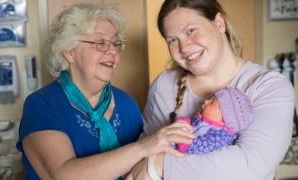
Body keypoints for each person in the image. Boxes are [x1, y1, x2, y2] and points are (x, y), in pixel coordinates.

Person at [16, 3, 194, 180]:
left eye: (115, 43)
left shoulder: (127, 104)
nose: (112, 51)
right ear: (69, 52)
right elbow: (61, 175)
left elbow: (142, 169)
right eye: (100, 43)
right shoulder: (41, 104)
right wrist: (144, 147)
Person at [125, 0, 295, 179]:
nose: (184, 48)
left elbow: (249, 167)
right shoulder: (164, 86)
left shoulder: (268, 87)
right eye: (173, 40)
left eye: (191, 30)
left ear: (219, 23)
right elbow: (144, 153)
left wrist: (160, 165)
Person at [174, 87, 254, 154]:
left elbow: (199, 148)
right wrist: (183, 122)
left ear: (224, 119)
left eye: (211, 102)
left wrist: (183, 143)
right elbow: (189, 122)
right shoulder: (202, 119)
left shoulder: (221, 136)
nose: (206, 101)